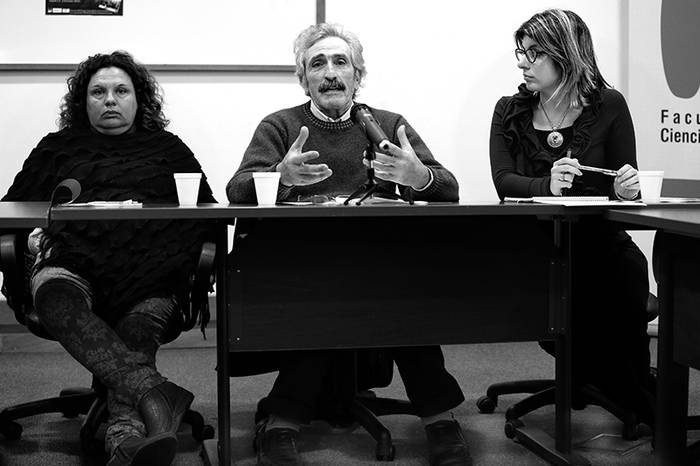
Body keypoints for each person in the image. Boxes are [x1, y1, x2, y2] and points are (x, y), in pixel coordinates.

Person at [227, 23, 471, 466]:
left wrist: (419, 178)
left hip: (382, 266)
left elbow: (448, 187)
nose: (331, 73)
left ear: (358, 75)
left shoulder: (387, 125)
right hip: (303, 268)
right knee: (322, 292)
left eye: (341, 62)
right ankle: (283, 423)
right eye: (317, 64)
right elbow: (237, 189)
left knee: (402, 287)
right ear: (304, 79)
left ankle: (438, 416)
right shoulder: (281, 126)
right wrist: (276, 177)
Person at [1, 50, 216, 466]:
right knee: (54, 295)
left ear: (140, 100)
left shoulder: (168, 150)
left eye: (121, 90)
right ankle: (156, 394)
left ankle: (125, 440)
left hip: (151, 276)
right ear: (83, 102)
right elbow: (11, 213)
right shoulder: (56, 150)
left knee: (138, 323)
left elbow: (203, 216)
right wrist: (30, 241)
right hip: (72, 267)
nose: (110, 100)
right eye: (98, 92)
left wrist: (171, 252)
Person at [489, 9, 654, 422]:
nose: (522, 62)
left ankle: (618, 387)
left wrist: (624, 188)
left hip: (599, 244)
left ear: (565, 54)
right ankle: (615, 384)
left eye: (533, 53)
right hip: (535, 249)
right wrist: (548, 185)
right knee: (575, 291)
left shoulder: (609, 106)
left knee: (625, 273)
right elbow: (504, 182)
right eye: (521, 52)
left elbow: (622, 180)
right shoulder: (509, 110)